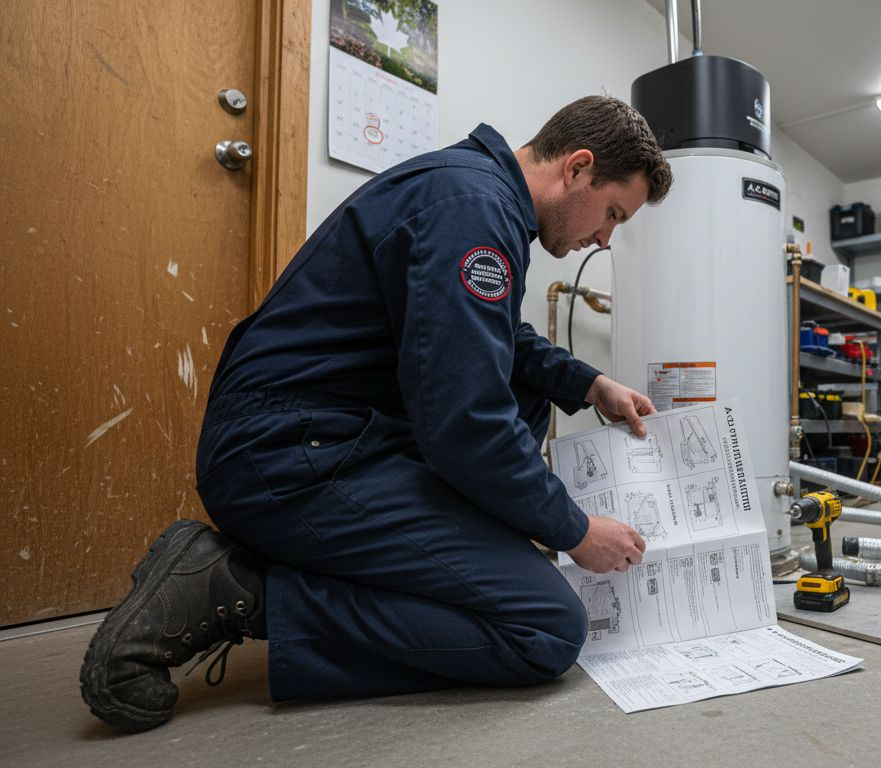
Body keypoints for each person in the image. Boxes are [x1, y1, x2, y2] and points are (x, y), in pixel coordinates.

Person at [79, 96, 674, 732]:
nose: (606, 238)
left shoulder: (472, 192)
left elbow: (491, 338)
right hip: (285, 458)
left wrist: (589, 383)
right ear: (577, 167)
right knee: (545, 627)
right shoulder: (474, 211)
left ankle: (378, 562)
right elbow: (465, 424)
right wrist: (574, 529)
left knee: (523, 386)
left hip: (316, 436)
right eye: (612, 213)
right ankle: (239, 592)